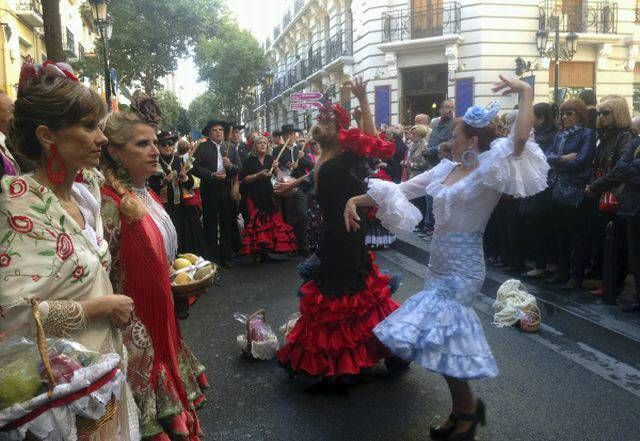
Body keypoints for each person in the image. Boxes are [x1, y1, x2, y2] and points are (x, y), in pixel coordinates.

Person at [345, 76, 549, 441]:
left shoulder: (488, 170)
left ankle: (468, 411)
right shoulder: (445, 170)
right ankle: (462, 410)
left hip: (465, 266)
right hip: (437, 265)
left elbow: (518, 141)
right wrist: (354, 201)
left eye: (454, 137)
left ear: (472, 140)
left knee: (443, 337)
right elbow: (401, 190)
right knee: (442, 343)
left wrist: (524, 91)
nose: (447, 142)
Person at [0, 59, 139, 439]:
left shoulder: (87, 192)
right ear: (48, 136)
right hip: (58, 402)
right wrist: (99, 307)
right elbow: (10, 314)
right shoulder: (16, 206)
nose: (103, 138)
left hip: (105, 380)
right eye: (89, 126)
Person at [278, 78, 405, 381]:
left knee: (352, 294)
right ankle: (353, 355)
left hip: (347, 231)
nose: (322, 122)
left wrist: (362, 100)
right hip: (331, 233)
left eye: (329, 120)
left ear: (340, 128)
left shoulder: (349, 154)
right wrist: (294, 183)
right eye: (321, 118)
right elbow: (314, 174)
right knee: (339, 295)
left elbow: (379, 146)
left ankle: (383, 352)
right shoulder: (323, 154)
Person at [101, 96, 208, 440]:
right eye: (142, 144)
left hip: (161, 317)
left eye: (154, 142)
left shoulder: (147, 194)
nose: (154, 151)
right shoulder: (108, 202)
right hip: (137, 331)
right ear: (116, 152)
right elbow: (105, 275)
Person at [585, 97, 635, 298]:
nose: (601, 117)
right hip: (604, 193)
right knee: (607, 240)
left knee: (617, 243)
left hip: (618, 196)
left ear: (619, 113)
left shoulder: (625, 136)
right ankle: (606, 282)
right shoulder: (605, 136)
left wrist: (595, 186)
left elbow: (619, 170)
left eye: (606, 113)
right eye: (599, 113)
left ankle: (612, 286)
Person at [545, 98, 597, 289]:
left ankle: (576, 276)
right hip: (557, 189)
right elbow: (547, 157)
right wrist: (563, 158)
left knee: (577, 235)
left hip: (576, 190)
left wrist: (559, 162)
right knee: (560, 234)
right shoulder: (560, 135)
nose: (565, 117)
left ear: (580, 115)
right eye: (563, 113)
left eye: (570, 113)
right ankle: (562, 271)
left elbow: (582, 161)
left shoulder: (587, 134)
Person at [148, 130, 209, 258]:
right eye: (164, 144)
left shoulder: (180, 161)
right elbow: (149, 187)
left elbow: (191, 183)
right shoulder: (154, 162)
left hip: (183, 207)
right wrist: (163, 182)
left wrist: (185, 178)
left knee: (190, 241)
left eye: (170, 144)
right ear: (158, 146)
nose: (168, 147)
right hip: (165, 209)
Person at [191, 119, 241, 267]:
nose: (219, 132)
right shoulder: (202, 148)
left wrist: (230, 165)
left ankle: (226, 256)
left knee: (227, 221)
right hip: (210, 189)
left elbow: (239, 168)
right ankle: (211, 257)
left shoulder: (230, 148)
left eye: (221, 130)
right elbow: (195, 167)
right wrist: (211, 175)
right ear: (209, 133)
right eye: (215, 130)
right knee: (210, 222)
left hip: (226, 189)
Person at [239, 135, 297, 260]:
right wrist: (258, 175)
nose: (262, 145)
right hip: (253, 194)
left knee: (270, 221)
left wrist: (276, 168)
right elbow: (244, 179)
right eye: (259, 143)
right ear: (255, 146)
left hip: (268, 194)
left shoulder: (271, 159)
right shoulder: (249, 160)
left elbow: (280, 177)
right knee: (256, 222)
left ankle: (266, 252)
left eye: (264, 143)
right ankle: (257, 252)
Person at [521, 103, 558, 278]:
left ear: (541, 118)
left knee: (539, 227)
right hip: (538, 186)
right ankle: (544, 263)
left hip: (541, 189)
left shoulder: (544, 138)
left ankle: (542, 264)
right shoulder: (541, 135)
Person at [273, 124, 314, 255]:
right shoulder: (277, 150)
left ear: (293, 135)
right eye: (285, 135)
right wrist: (282, 166)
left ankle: (303, 245)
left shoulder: (301, 150)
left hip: (300, 187)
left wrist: (303, 159)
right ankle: (291, 246)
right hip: (286, 188)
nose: (288, 137)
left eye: (290, 134)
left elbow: (312, 166)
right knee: (289, 217)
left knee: (303, 215)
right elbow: (276, 171)